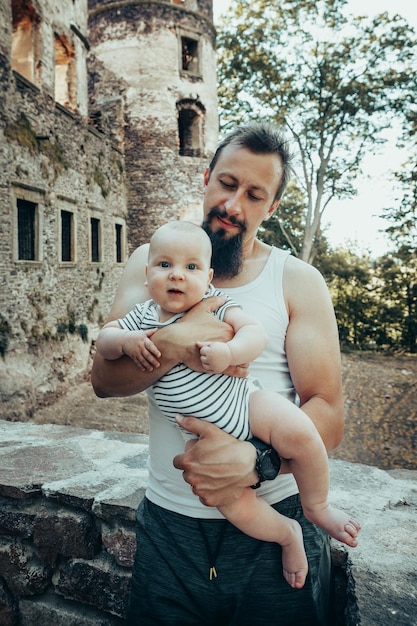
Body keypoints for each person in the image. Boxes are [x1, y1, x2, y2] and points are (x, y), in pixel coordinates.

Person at [91, 122, 350, 625]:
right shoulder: (151, 262)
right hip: (170, 526)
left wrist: (258, 461)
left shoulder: (297, 280)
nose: (234, 205)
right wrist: (179, 338)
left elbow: (327, 414)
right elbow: (104, 378)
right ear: (207, 178)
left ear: (271, 208)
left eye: (255, 195)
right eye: (228, 184)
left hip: (274, 523)